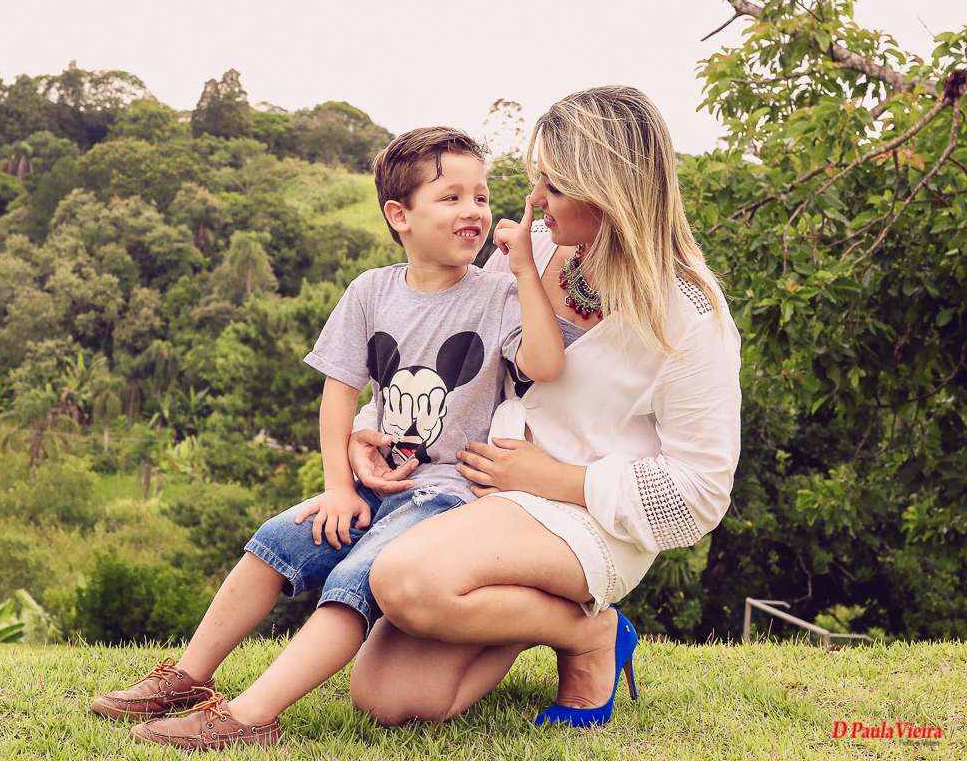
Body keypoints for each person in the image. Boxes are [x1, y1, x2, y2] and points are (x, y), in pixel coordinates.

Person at [89, 126, 568, 751]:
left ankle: (251, 715)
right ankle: (187, 677)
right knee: (275, 542)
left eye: (481, 195)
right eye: (451, 197)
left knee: (358, 579)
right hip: (374, 481)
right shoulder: (369, 292)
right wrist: (337, 488)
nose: (474, 210)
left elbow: (546, 364)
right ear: (399, 215)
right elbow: (339, 393)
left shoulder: (500, 295)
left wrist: (526, 272)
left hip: (448, 497)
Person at [346, 85, 742, 728]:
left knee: (405, 580)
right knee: (391, 697)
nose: (534, 200)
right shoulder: (528, 256)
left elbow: (702, 491)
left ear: (606, 188)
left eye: (552, 185)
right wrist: (369, 425)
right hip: (486, 493)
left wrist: (556, 479)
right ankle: (550, 615)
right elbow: (438, 348)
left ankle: (588, 634)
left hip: (590, 516)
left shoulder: (690, 315)